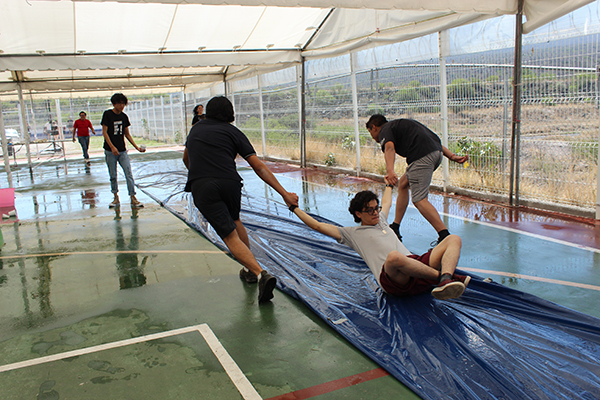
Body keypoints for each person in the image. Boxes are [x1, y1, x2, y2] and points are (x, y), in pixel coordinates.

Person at [183, 96, 299, 304]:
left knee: (229, 236)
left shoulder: (196, 129)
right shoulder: (234, 132)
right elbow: (259, 166)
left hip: (204, 186)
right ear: (230, 113)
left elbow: (186, 159)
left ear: (208, 111)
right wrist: (284, 193)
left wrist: (199, 172)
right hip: (230, 183)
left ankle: (259, 273)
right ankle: (248, 270)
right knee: (235, 221)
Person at [290, 182, 470, 300]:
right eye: (370, 210)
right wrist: (294, 207)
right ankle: (442, 279)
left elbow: (387, 201)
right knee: (393, 257)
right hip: (394, 279)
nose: (375, 212)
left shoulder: (382, 220)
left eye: (376, 209)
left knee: (453, 239)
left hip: (414, 265)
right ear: (358, 214)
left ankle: (446, 278)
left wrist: (389, 184)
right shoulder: (351, 233)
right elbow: (317, 226)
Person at [366, 114, 469, 246]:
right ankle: (396, 227)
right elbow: (432, 142)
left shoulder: (385, 129)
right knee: (403, 184)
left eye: (370, 132)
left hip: (422, 156)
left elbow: (389, 148)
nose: (373, 136)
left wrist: (390, 171)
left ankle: (444, 236)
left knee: (419, 199)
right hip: (435, 153)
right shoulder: (399, 125)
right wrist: (452, 156)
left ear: (374, 127)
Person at [101, 93, 146, 208]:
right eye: (119, 103)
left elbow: (127, 134)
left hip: (122, 150)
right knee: (113, 175)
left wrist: (136, 147)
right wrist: (112, 147)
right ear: (114, 104)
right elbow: (105, 132)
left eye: (123, 104)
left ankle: (133, 197)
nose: (122, 106)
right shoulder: (107, 114)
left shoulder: (124, 117)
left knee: (128, 174)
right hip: (110, 151)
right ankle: (115, 197)